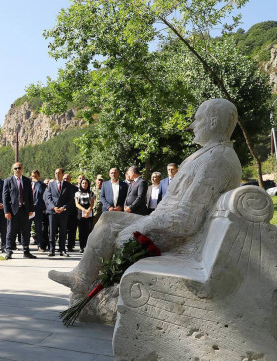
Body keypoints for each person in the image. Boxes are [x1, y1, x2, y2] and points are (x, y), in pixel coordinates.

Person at [48, 99, 242, 298]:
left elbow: (187, 219)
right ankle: (82, 277)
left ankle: (86, 282)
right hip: (165, 222)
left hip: (177, 237)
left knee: (115, 230)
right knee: (107, 218)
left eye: (198, 119)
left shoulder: (217, 161)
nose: (192, 126)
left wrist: (143, 226)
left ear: (213, 123)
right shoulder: (208, 154)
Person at [3, 162, 36, 260]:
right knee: (10, 232)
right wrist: (6, 211)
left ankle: (26, 251)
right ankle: (8, 251)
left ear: (22, 169)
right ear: (13, 169)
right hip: (13, 211)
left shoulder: (26, 180)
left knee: (26, 232)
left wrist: (31, 209)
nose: (18, 170)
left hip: (24, 210)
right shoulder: (8, 181)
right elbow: (5, 197)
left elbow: (30, 196)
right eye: (16, 168)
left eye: (19, 168)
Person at [45, 168, 76, 257]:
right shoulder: (51, 184)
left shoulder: (68, 185)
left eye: (59, 173)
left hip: (63, 212)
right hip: (53, 212)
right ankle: (52, 250)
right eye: (55, 173)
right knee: (52, 231)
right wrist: (53, 207)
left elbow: (70, 199)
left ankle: (62, 250)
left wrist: (64, 207)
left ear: (63, 174)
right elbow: (49, 198)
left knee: (63, 231)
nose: (57, 175)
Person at [75, 178, 95, 253]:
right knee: (81, 230)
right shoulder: (77, 193)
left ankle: (87, 246)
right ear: (80, 184)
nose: (84, 184)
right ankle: (81, 246)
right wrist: (84, 210)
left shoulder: (91, 193)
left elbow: (92, 203)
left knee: (89, 230)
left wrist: (88, 210)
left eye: (86, 183)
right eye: (83, 183)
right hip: (81, 212)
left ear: (88, 184)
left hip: (89, 212)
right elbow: (77, 204)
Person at [30, 169, 46, 249]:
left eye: (35, 176)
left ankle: (39, 245)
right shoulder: (28, 185)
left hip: (38, 209)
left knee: (38, 228)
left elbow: (41, 192)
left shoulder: (42, 185)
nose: (34, 178)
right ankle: (25, 245)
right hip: (29, 209)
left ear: (39, 176)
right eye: (33, 176)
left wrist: (37, 182)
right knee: (26, 228)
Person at [64, 173, 79, 251]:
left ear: (70, 179)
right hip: (63, 212)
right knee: (63, 230)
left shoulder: (75, 189)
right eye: (64, 179)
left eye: (67, 178)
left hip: (73, 212)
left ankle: (70, 246)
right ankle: (62, 246)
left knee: (72, 230)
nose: (66, 180)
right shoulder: (60, 187)